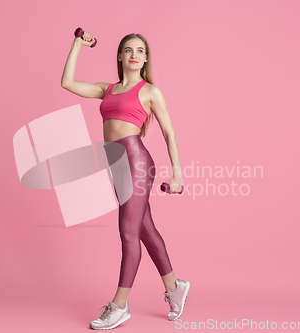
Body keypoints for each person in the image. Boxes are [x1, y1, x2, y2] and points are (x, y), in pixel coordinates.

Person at [61, 30, 190, 330]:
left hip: (136, 161)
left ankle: (119, 306)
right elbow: (67, 83)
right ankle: (174, 287)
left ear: (146, 58)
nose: (134, 54)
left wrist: (177, 174)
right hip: (116, 165)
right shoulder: (107, 89)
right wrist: (77, 45)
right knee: (145, 230)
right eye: (128, 50)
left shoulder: (151, 92)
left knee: (128, 233)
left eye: (140, 51)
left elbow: (169, 133)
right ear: (119, 56)